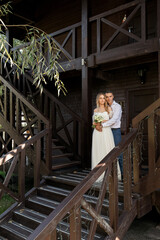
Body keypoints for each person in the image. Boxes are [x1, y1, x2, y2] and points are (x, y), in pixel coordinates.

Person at [91, 93, 121, 182]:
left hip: (106, 131)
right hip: (97, 132)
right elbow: (93, 123)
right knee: (98, 150)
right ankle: (98, 173)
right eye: (101, 98)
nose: (103, 100)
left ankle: (110, 173)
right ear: (98, 100)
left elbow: (111, 120)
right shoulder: (95, 110)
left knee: (108, 150)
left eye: (104, 98)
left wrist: (101, 123)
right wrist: (96, 125)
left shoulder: (109, 109)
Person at [99, 91, 123, 179]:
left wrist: (103, 124)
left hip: (115, 131)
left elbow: (115, 119)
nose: (108, 98)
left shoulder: (117, 106)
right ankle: (108, 174)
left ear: (113, 97)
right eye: (107, 97)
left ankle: (122, 175)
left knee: (118, 152)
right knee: (106, 152)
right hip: (105, 131)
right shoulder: (103, 107)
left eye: (110, 96)